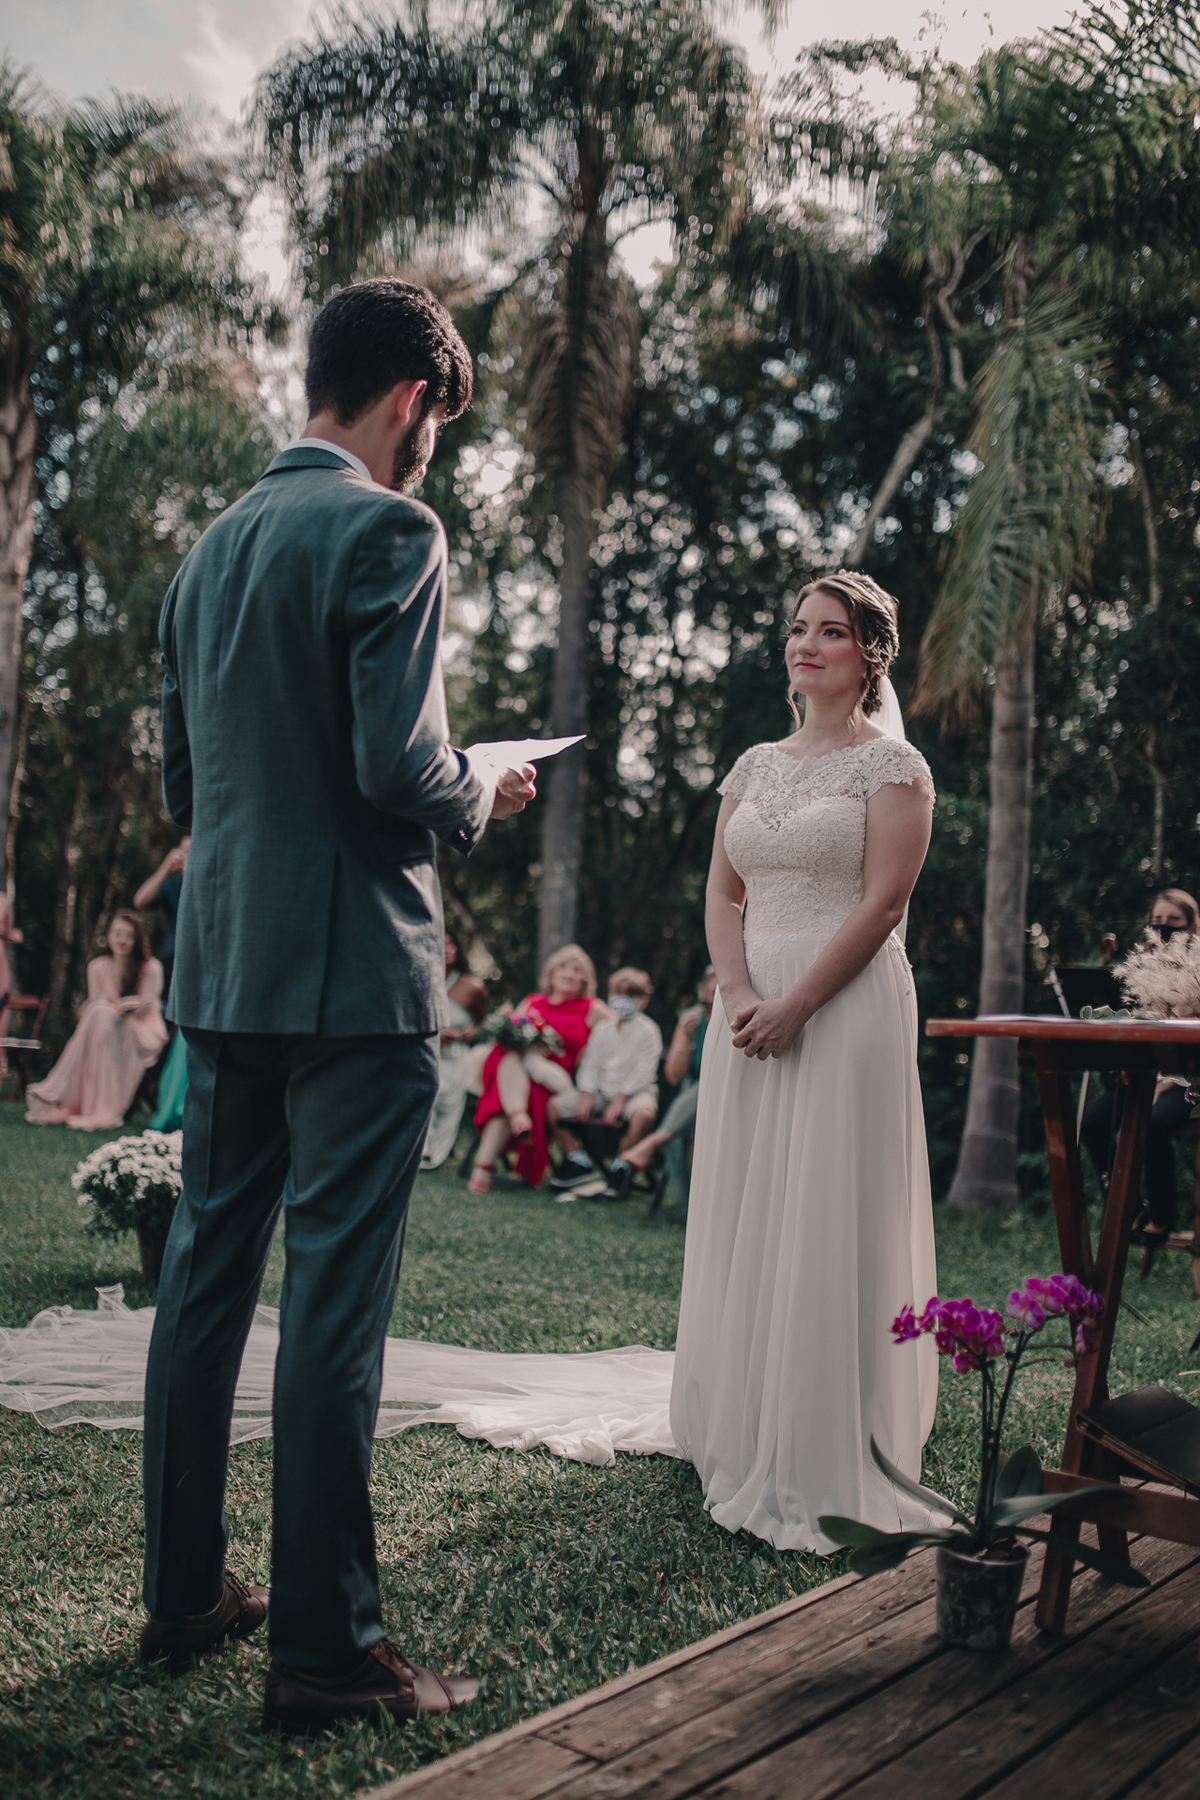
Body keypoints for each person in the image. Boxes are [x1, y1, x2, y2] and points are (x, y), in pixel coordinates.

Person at [139, 278, 535, 1733]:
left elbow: (192, 794)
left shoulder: (205, 554)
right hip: (358, 979)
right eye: (441, 422)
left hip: (226, 967)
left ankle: (186, 1593)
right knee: (335, 1312)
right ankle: (324, 1653)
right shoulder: (392, 526)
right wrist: (480, 785)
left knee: (202, 1279)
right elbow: (394, 770)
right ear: (413, 401)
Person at [670, 570, 938, 1552]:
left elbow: (883, 904)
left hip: (846, 1001)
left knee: (827, 1203)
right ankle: (739, 1412)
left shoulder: (895, 767)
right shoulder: (752, 764)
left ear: (871, 654)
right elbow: (721, 893)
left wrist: (799, 1004)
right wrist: (739, 995)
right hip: (749, 1006)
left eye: (831, 631)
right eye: (797, 629)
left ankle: (830, 1438)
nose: (807, 644)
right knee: (752, 1202)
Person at [1080, 887, 1200, 1245]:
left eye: (1173, 921)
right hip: (1143, 1077)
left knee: (1152, 1122)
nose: (1163, 927)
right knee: (1093, 1123)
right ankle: (1129, 1207)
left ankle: (1164, 1215)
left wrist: (1166, 1081)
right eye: (1157, 921)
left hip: (1190, 1082)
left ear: (1192, 926)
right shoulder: (1139, 971)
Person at [468, 944, 609, 1194]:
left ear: (585, 979)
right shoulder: (534, 1001)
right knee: (507, 1052)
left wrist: (590, 1056)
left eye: (577, 970)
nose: (568, 974)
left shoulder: (593, 1007)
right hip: (517, 1076)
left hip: (553, 1082)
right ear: (552, 974)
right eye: (563, 968)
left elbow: (621, 1036)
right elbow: (509, 1036)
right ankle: (517, 1118)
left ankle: (484, 1167)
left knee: (504, 1089)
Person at [26, 911, 167, 1129]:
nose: (122, 940)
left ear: (137, 939)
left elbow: (147, 1006)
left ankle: (62, 1090)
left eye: (128, 935)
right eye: (117, 933)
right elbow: (96, 1003)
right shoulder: (97, 967)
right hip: (107, 1031)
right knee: (98, 1013)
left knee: (99, 1013)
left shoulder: (152, 967)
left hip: (143, 1031)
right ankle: (84, 1102)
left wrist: (120, 1007)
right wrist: (98, 1008)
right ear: (108, 936)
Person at [609, 967, 717, 1211]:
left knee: (707, 1088)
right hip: (691, 1101)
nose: (713, 999)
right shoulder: (691, 1019)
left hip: (725, 1100)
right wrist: (686, 1038)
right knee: (695, 1106)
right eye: (710, 993)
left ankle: (654, 1142)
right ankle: (691, 1206)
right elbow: (674, 1075)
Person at [550, 967, 662, 1195]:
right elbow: (591, 1063)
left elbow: (644, 1072)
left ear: (643, 1000)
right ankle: (577, 1159)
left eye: (630, 996)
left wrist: (621, 1100)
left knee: (642, 1115)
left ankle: (620, 1168)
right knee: (554, 1107)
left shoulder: (649, 1031)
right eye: (618, 994)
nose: (623, 1001)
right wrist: (587, 1095)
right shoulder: (602, 1029)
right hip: (601, 1092)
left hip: (636, 1093)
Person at [420, 926, 488, 1170]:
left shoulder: (473, 986)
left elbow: (482, 1022)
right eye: (442, 944)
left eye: (452, 944)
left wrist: (471, 1033)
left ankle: (436, 1152)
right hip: (425, 1053)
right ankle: (421, 1149)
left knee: (447, 1098)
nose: (447, 950)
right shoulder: (421, 979)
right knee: (427, 1092)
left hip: (457, 1056)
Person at [133, 837, 190, 1001]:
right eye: (183, 850)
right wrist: (165, 869)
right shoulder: (172, 885)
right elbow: (140, 901)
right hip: (174, 957)